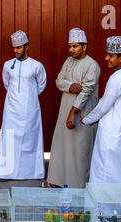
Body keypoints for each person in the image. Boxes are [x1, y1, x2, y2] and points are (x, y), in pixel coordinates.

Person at [44, 28, 100, 188]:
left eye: (75, 46)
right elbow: (58, 80)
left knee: (80, 149)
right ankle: (57, 181)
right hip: (65, 109)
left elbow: (87, 91)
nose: (71, 50)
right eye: (69, 46)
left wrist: (72, 113)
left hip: (83, 112)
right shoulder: (68, 62)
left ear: (85, 46)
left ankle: (78, 185)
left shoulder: (92, 65)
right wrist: (70, 86)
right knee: (62, 146)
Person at [80, 36, 121, 184]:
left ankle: (101, 208)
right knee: (117, 173)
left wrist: (87, 119)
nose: (106, 58)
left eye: (111, 56)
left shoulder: (117, 78)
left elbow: (103, 106)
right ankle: (116, 208)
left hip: (110, 133)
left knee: (103, 173)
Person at [0, 30, 47, 180]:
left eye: (19, 47)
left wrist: (29, 97)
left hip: (30, 109)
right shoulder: (7, 65)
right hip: (11, 109)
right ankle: (5, 172)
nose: (16, 51)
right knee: (9, 138)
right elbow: (7, 83)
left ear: (27, 47)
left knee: (30, 138)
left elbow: (41, 85)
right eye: (14, 48)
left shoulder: (36, 66)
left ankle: (31, 173)